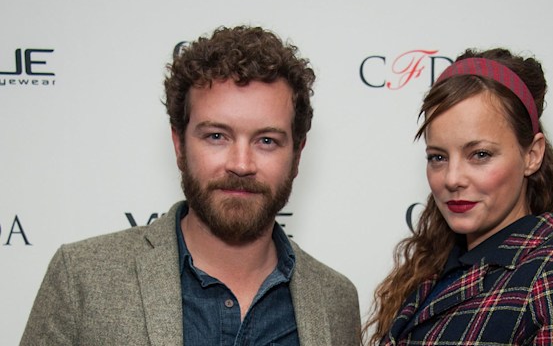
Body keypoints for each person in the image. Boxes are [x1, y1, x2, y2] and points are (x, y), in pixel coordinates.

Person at [21, 26, 361, 345]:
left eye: (267, 141)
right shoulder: (83, 277)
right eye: (216, 136)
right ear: (179, 146)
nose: (241, 164)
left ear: (297, 155)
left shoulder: (335, 300)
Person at [365, 48, 553, 345]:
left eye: (480, 154)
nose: (452, 178)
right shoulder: (430, 274)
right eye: (438, 157)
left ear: (532, 154)